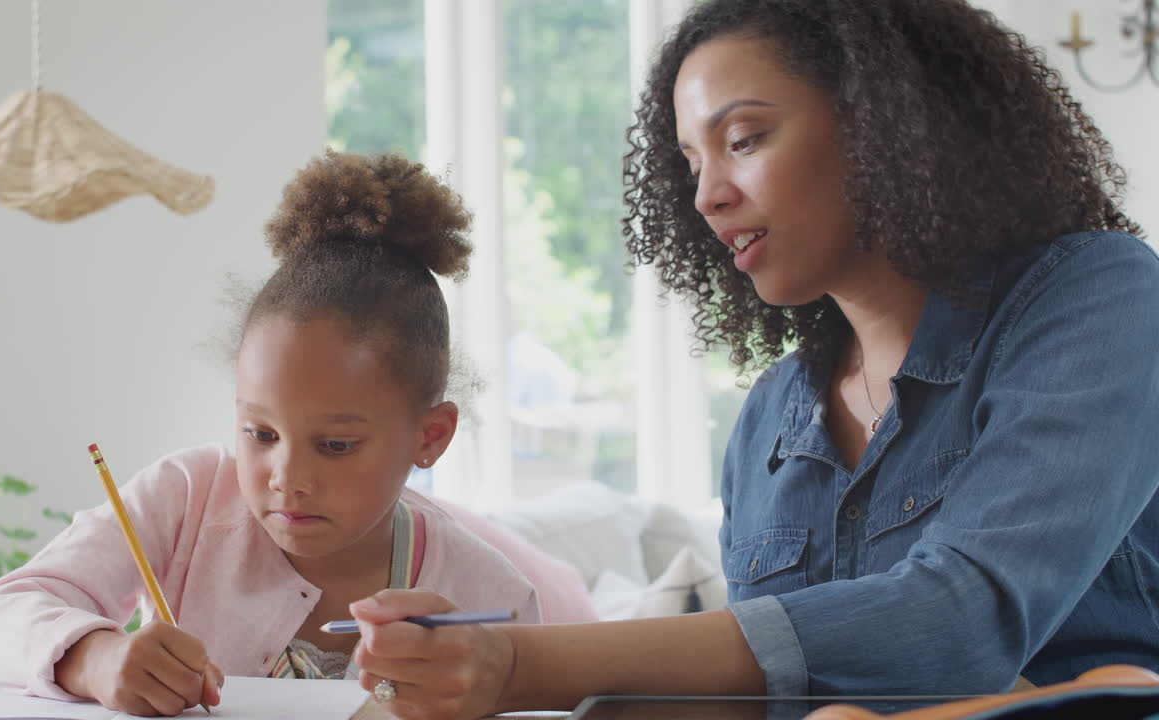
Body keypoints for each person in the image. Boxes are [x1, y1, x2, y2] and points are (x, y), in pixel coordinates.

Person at [340, 1, 1159, 717]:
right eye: (691, 165)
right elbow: (762, 691)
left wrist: (523, 664)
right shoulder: (770, 420)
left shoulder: (1099, 294)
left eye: (744, 139)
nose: (706, 196)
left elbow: (964, 617)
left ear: (884, 120)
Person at [0, 151, 558, 717]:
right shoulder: (184, 497)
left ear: (431, 434)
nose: (287, 479)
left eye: (336, 446)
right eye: (260, 433)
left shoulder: (492, 595)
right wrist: (94, 658)